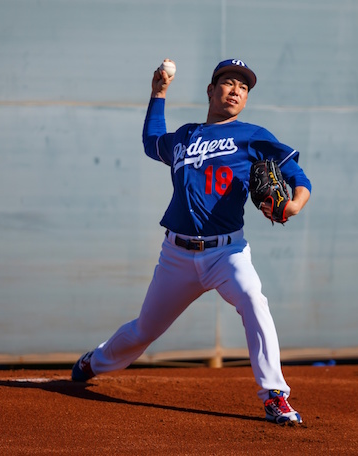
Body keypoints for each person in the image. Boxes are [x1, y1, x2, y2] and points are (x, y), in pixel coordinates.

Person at [72, 58, 312, 426]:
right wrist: (158, 94)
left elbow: (296, 173)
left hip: (227, 252)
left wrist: (294, 203)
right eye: (229, 83)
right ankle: (95, 361)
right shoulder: (186, 136)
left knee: (253, 300)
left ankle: (275, 396)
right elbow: (152, 142)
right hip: (177, 256)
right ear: (211, 91)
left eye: (243, 88)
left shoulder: (252, 135)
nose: (235, 91)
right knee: (144, 331)